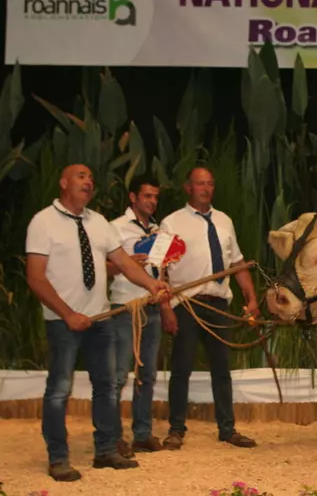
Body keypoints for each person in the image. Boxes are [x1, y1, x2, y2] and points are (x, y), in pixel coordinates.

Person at [25, 164, 171, 482]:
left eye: (92, 177)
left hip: (101, 318)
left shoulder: (99, 222)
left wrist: (151, 285)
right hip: (62, 321)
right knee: (59, 390)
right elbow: (35, 277)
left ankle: (106, 450)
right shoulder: (43, 222)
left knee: (106, 387)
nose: (89, 181)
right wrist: (67, 314)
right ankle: (58, 458)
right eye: (81, 176)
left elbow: (123, 264)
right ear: (63, 182)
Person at [158, 166, 260, 450]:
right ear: (188, 188)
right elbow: (159, 270)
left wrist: (251, 298)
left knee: (222, 368)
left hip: (218, 303)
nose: (206, 188)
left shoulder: (225, 221)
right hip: (186, 305)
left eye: (210, 184)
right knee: (181, 368)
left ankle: (227, 429)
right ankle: (176, 429)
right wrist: (166, 308)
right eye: (200, 184)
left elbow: (237, 263)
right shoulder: (171, 223)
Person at [106, 175, 168, 457]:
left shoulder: (158, 230)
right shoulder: (115, 228)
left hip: (152, 306)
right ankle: (112, 438)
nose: (152, 201)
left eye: (155, 197)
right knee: (119, 375)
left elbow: (162, 268)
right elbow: (100, 267)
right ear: (133, 198)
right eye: (147, 196)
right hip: (124, 308)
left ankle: (142, 434)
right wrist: (125, 264)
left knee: (148, 374)